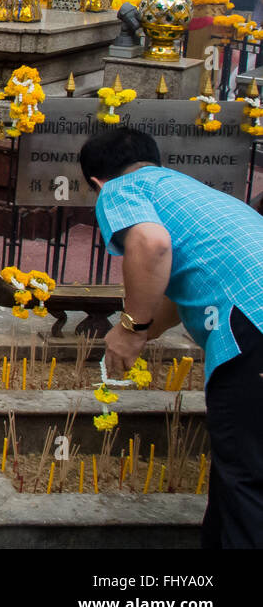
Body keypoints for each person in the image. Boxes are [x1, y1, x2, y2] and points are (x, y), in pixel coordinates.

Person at [79, 126, 263, 548]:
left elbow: (152, 244)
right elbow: (180, 292)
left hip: (252, 332)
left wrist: (132, 328)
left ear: (96, 182)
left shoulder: (119, 189)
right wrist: (138, 334)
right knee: (238, 484)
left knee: (247, 488)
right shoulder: (190, 193)